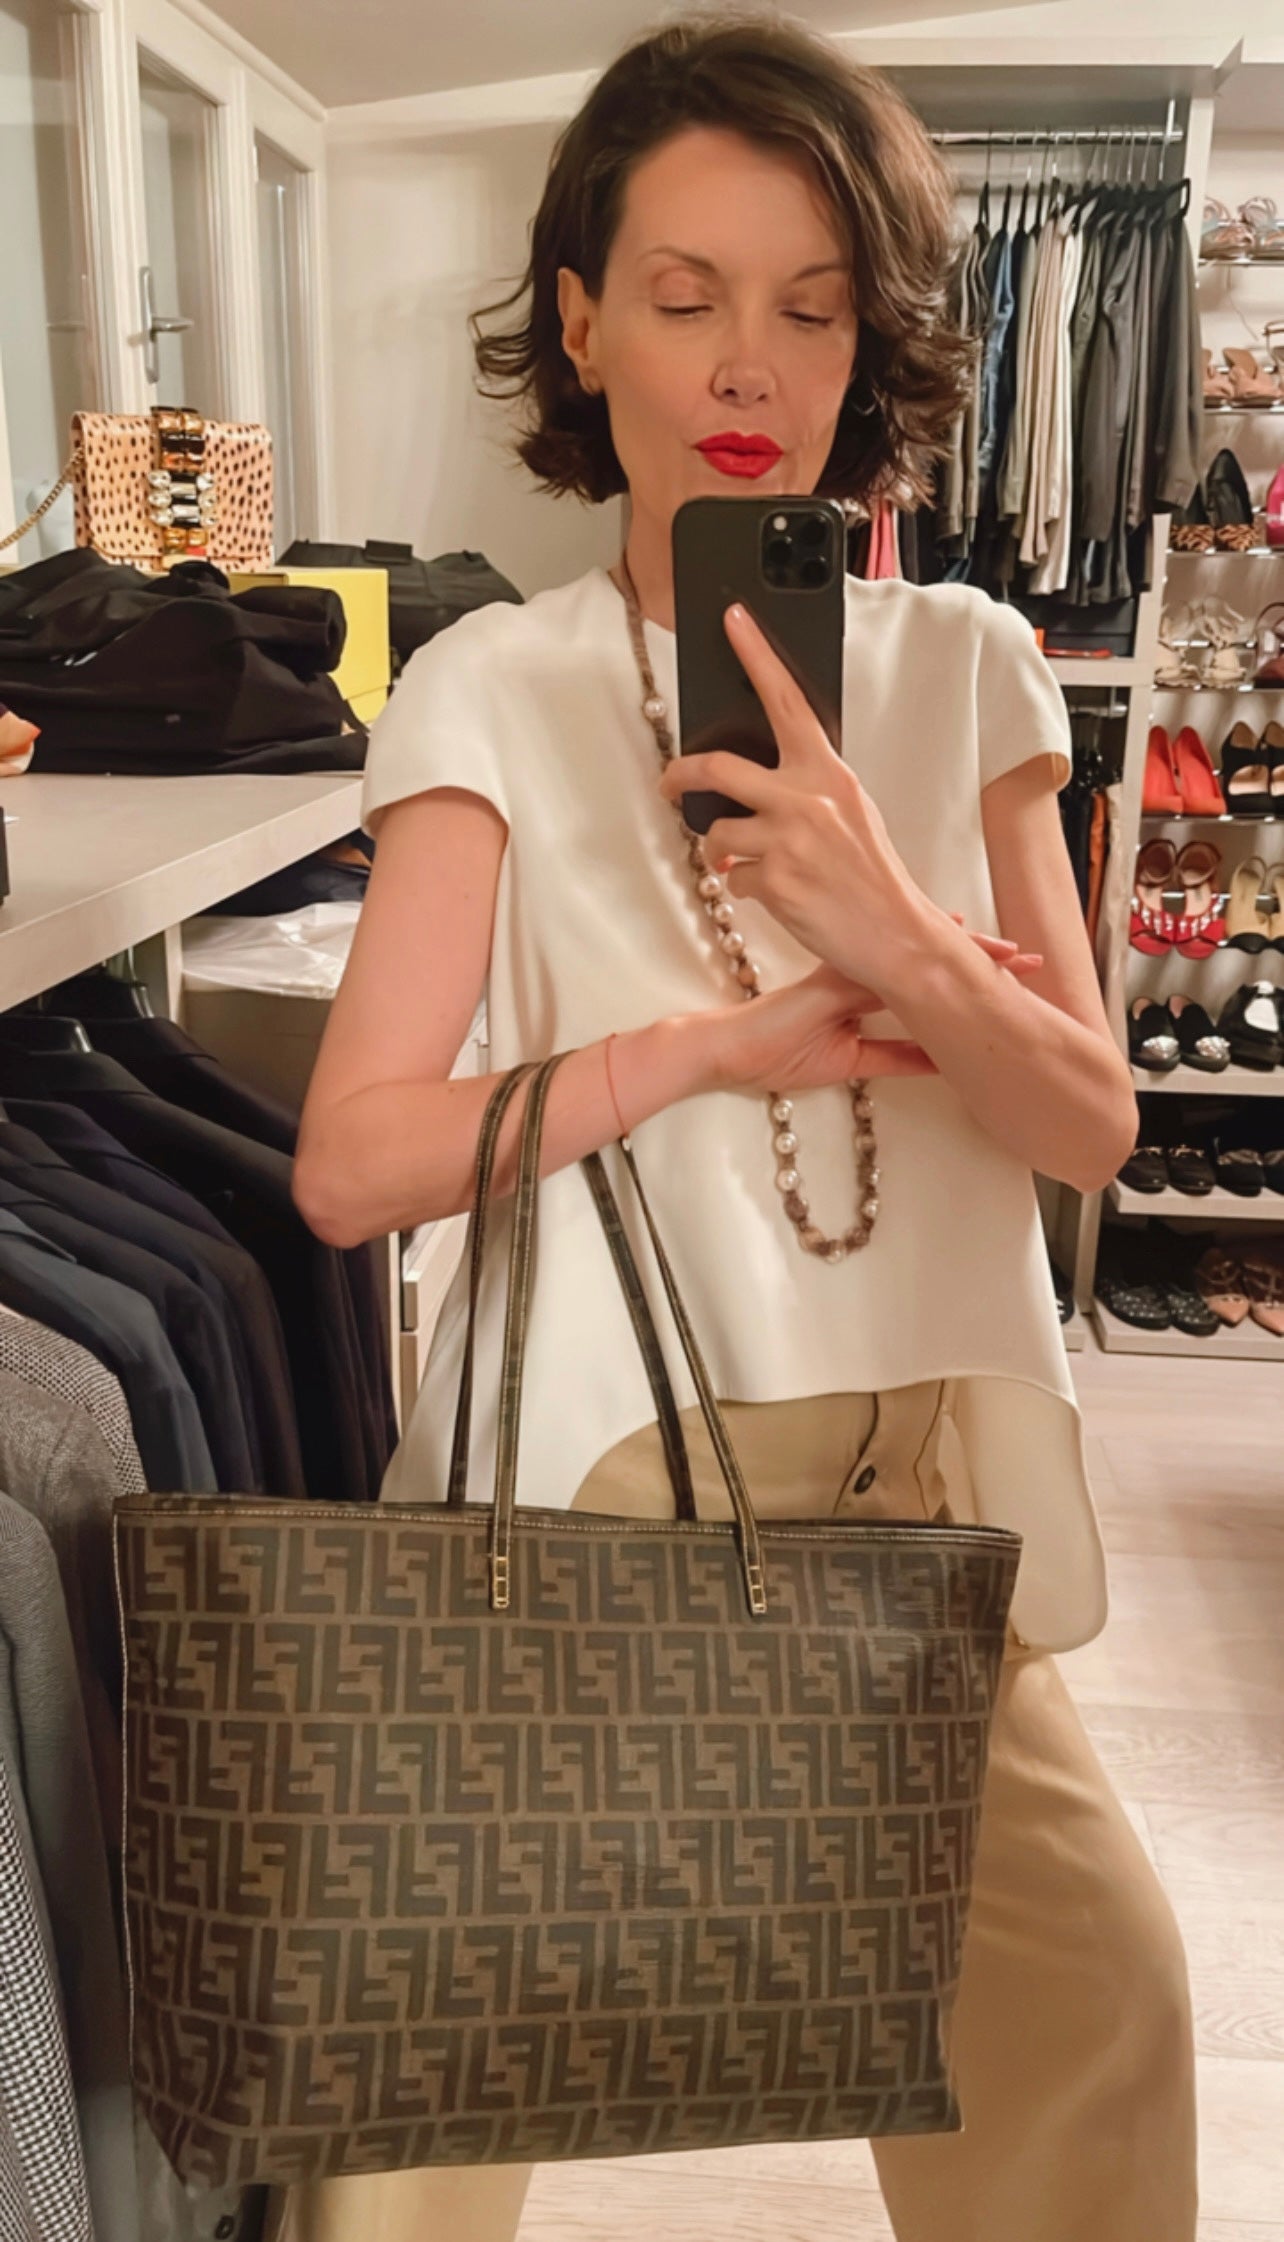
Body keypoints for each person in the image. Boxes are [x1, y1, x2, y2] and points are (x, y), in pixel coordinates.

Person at [287, 14, 1197, 2242]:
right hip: (592, 1476)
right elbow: (355, 1159)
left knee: (1099, 2013)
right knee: (419, 2089)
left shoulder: (970, 661)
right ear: (582, 319)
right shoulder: (489, 688)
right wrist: (703, 1053)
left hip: (912, 1485)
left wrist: (887, 926)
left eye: (809, 306)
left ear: (869, 339)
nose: (745, 364)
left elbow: (1089, 1123)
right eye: (684, 295)